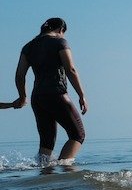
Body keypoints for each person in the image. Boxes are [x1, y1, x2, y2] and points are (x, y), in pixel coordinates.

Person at [13, 17, 89, 166]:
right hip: (57, 94)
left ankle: (45, 179)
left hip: (38, 98)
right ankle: (65, 171)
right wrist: (81, 95)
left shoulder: (28, 47)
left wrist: (22, 97)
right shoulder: (60, 42)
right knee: (78, 134)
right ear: (61, 30)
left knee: (47, 141)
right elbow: (71, 70)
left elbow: (19, 75)